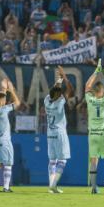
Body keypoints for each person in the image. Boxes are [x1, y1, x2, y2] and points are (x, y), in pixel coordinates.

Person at [85, 59, 104, 194]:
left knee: (93, 160)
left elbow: (87, 86)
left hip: (93, 134)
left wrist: (96, 71)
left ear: (94, 91)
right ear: (102, 91)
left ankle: (93, 187)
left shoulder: (90, 100)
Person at [44, 66, 74, 194]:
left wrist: (59, 79)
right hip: (60, 133)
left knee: (52, 160)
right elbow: (71, 90)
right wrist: (65, 76)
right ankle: (54, 184)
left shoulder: (47, 100)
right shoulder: (60, 102)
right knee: (62, 160)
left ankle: (52, 185)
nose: (62, 93)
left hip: (50, 133)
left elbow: (54, 90)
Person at [0, 78, 21, 192]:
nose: (5, 101)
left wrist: (3, 89)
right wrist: (11, 90)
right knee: (8, 164)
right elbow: (17, 103)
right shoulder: (4, 110)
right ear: (1, 102)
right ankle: (6, 187)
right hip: (4, 140)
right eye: (4, 100)